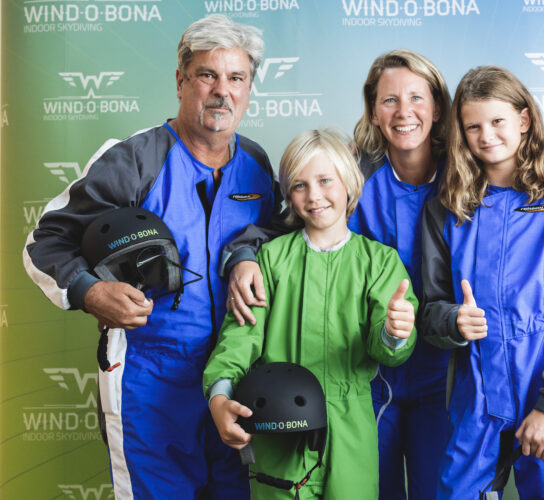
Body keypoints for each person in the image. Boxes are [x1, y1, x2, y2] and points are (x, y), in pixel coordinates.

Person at [22, 14, 286, 499]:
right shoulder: (133, 161)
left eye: (237, 78)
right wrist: (90, 290)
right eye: (208, 75)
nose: (222, 91)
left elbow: (274, 235)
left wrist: (247, 252)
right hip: (148, 378)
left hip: (234, 377)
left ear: (250, 88)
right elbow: (44, 243)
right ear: (181, 80)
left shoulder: (257, 166)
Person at [420, 65, 544, 499]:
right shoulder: (446, 209)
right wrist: (453, 321)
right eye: (473, 126)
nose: (486, 135)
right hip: (476, 390)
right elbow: (429, 309)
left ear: (524, 120)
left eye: (497, 122)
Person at [203, 128, 418, 499]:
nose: (314, 196)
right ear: (288, 194)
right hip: (277, 427)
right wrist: (220, 394)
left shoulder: (379, 263)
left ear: (348, 183)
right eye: (300, 185)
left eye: (324, 181)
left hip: (351, 428)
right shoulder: (270, 260)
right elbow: (240, 339)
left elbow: (387, 348)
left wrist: (395, 331)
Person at [346, 49, 452, 500]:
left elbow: (542, 151)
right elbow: (290, 230)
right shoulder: (348, 177)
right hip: (368, 370)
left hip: (446, 371)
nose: (404, 112)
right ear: (373, 110)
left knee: (438, 490)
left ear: (438, 107)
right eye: (389, 100)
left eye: (416, 98)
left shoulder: (469, 174)